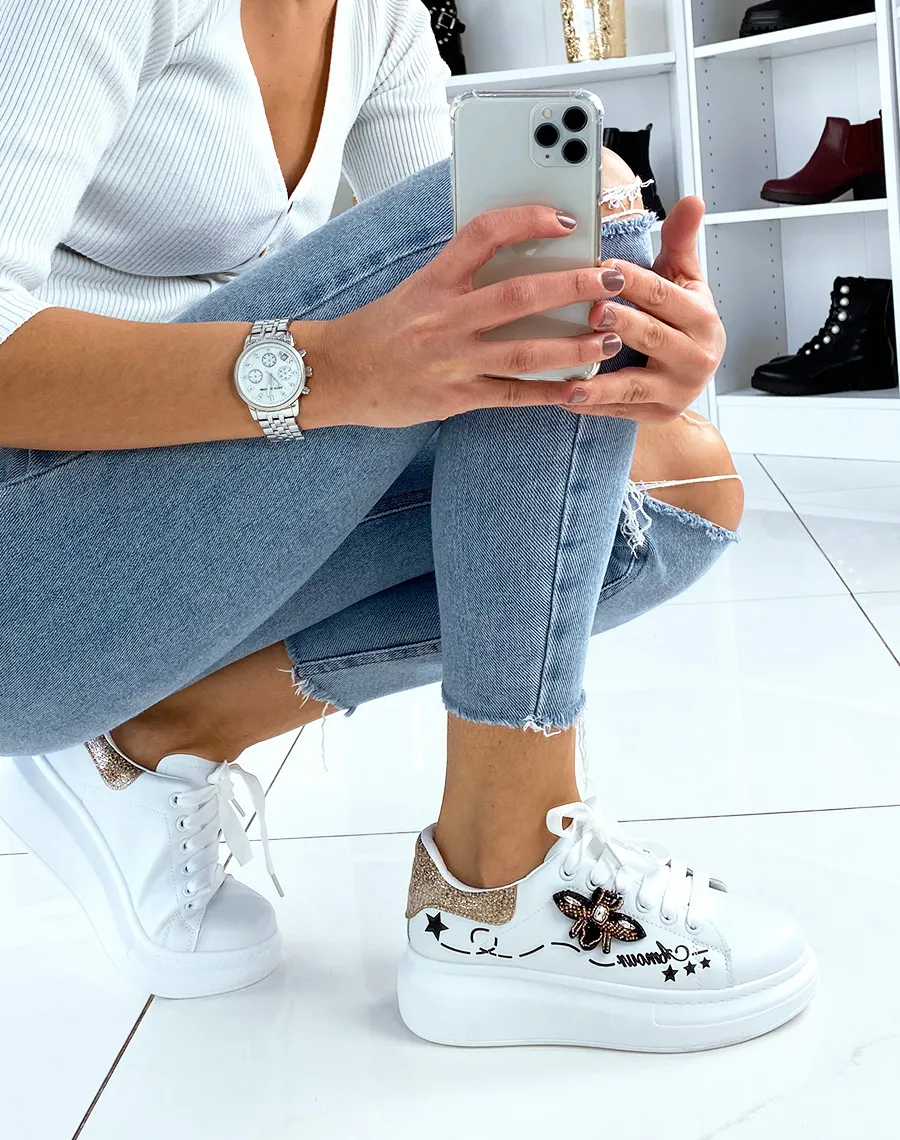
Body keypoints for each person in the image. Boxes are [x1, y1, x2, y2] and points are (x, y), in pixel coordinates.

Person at [0, 0, 815, 1050]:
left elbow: (475, 326)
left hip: (180, 523)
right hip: (32, 563)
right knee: (564, 200)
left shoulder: (376, 17)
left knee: (680, 490)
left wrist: (632, 343)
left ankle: (150, 734)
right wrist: (339, 366)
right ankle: (504, 880)